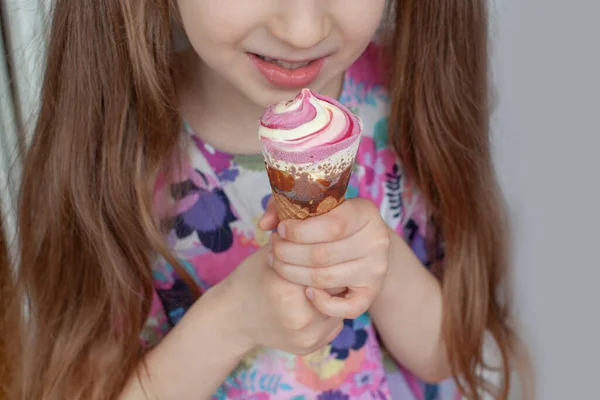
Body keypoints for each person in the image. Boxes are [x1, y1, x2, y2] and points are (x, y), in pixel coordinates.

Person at [8, 1, 526, 399]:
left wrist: (379, 264)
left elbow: (445, 355)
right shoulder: (122, 159)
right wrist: (233, 317)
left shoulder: (405, 97)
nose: (301, 30)